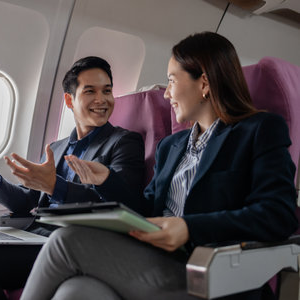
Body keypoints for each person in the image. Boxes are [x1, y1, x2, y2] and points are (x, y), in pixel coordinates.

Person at [20, 32, 298, 300]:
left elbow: (279, 214)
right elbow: (146, 210)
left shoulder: (259, 130)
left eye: (172, 81)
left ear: (203, 84)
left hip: (209, 273)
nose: (166, 94)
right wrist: (107, 181)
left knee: (65, 242)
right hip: (155, 259)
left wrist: (188, 227)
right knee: (78, 291)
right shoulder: (171, 146)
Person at [0, 56, 145, 300]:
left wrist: (57, 187)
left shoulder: (124, 142)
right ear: (69, 100)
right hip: (32, 233)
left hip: (69, 244)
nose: (101, 100)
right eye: (90, 91)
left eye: (107, 91)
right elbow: (27, 202)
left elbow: (123, 205)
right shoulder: (58, 146)